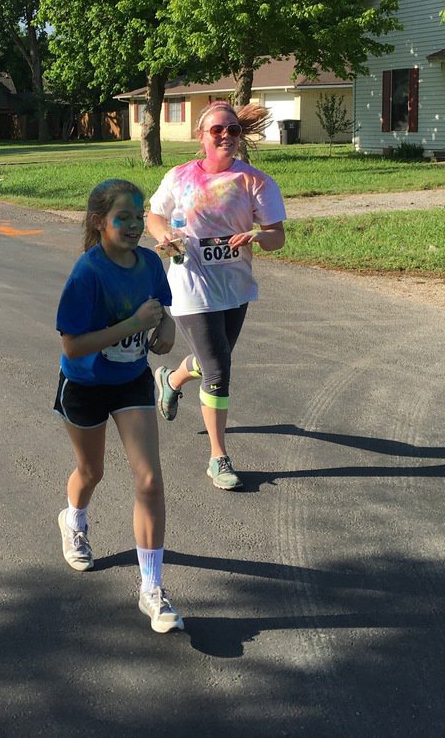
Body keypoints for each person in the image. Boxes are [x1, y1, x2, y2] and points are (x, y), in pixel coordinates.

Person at [54, 178, 184, 634]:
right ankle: (74, 518)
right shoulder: (87, 273)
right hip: (86, 384)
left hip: (131, 381)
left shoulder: (149, 263)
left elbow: (161, 311)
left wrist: (165, 328)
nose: (133, 225)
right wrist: (132, 322)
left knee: (149, 479)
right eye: (122, 217)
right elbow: (72, 347)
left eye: (138, 215)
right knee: (91, 472)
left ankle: (152, 588)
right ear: (99, 222)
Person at [146, 100, 287, 491]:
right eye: (217, 130)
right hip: (190, 284)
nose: (225, 135)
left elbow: (277, 237)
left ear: (240, 136)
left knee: (215, 360)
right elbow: (154, 214)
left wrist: (257, 235)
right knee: (220, 371)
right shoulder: (179, 177)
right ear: (201, 136)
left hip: (234, 286)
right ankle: (218, 457)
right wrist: (164, 235)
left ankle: (171, 380)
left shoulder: (254, 181)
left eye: (233, 130)